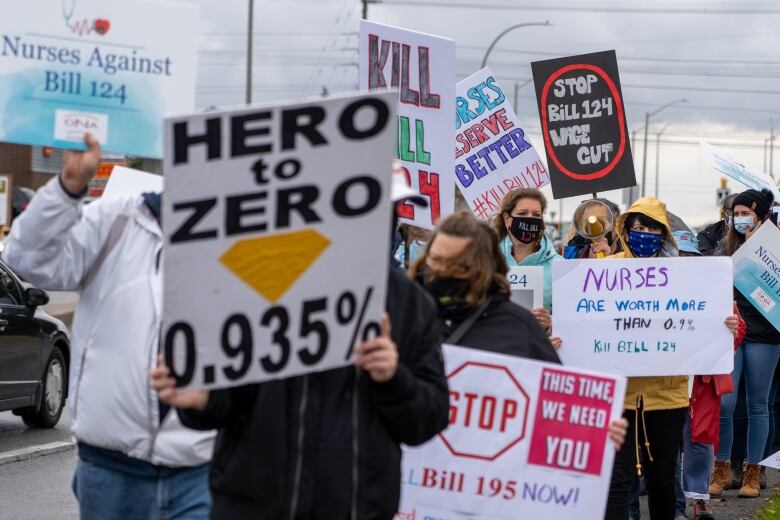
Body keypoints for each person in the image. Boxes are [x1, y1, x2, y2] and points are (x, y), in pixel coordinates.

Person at [151, 186, 450, 519]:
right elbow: (229, 397)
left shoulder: (410, 304)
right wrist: (204, 398)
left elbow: (429, 418)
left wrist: (393, 379)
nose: (384, 220)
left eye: (392, 208)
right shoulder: (260, 280)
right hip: (256, 508)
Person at [2, 135, 215, 519]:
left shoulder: (239, 235)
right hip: (112, 466)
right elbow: (26, 259)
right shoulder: (112, 221)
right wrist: (67, 188)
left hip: (202, 465)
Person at [409, 211, 628, 443]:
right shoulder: (407, 315)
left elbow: (557, 406)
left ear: (483, 267)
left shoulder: (520, 327)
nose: (442, 271)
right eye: (436, 260)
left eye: (456, 264)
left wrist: (596, 434)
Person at [599, 198, 739, 520]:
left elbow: (703, 324)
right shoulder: (607, 270)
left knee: (662, 479)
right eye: (637, 227)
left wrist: (725, 326)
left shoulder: (684, 275)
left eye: (651, 227)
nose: (644, 233)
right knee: (617, 481)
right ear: (626, 230)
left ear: (663, 234)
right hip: (618, 397)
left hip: (667, 397)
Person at [711, 188, 780, 498]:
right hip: (732, 335)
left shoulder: (775, 250)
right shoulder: (725, 251)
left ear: (761, 216)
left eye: (745, 213)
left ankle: (753, 473)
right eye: (735, 214)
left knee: (758, 404)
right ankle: (721, 468)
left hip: (766, 338)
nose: (739, 219)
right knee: (725, 401)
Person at [672, 230, 746, 520]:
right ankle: (675, 505)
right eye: (678, 257)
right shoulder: (653, 294)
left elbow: (738, 331)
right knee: (668, 445)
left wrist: (732, 328)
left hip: (701, 382)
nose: (684, 263)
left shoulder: (714, 293)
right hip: (665, 381)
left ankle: (699, 500)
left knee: (700, 441)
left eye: (689, 257)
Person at [490, 188, 561, 332]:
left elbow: (570, 319)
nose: (530, 219)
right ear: (507, 218)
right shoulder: (487, 259)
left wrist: (548, 325)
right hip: (494, 346)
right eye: (523, 213)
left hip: (536, 348)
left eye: (536, 215)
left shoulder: (559, 265)